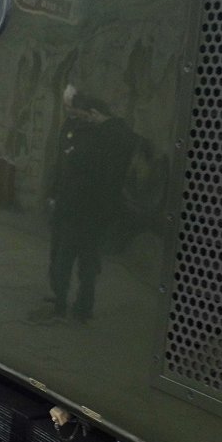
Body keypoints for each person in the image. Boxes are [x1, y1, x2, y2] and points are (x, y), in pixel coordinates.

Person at [42, 87, 136, 323]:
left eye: (80, 112)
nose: (77, 116)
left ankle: (65, 307)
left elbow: (81, 172)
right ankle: (79, 308)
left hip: (82, 209)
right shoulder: (107, 133)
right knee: (84, 262)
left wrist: (64, 199)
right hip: (87, 209)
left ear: (93, 112)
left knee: (70, 259)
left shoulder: (104, 137)